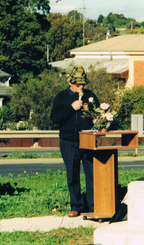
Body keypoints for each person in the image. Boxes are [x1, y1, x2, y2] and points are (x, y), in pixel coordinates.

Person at [50, 66, 99, 217]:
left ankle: (93, 206)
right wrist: (71, 108)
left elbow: (98, 112)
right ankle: (76, 206)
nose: (81, 87)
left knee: (91, 174)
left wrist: (99, 119)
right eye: (78, 84)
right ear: (70, 83)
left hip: (88, 141)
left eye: (83, 83)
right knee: (72, 175)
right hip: (69, 142)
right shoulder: (61, 97)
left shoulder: (90, 96)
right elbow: (54, 119)